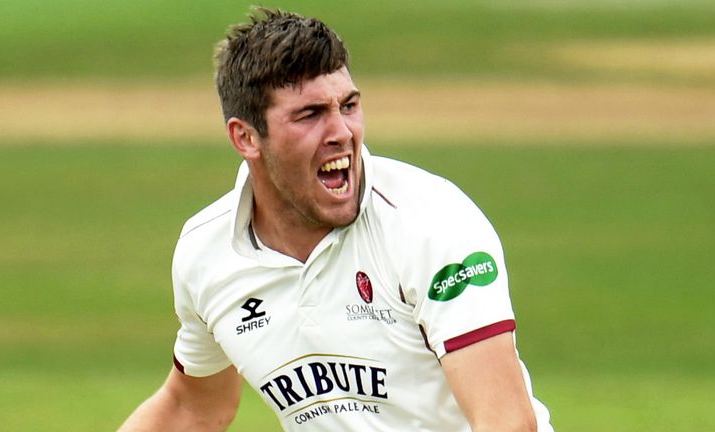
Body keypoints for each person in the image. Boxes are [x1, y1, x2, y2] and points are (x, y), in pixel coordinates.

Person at [119, 7, 553, 432]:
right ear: (246, 137)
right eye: (310, 114)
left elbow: (506, 422)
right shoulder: (207, 252)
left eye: (348, 105)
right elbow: (193, 407)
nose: (342, 132)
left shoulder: (430, 221)